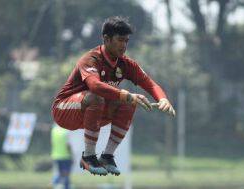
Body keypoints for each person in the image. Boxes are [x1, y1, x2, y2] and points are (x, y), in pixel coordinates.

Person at [51, 16, 175, 176]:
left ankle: (107, 156)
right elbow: (95, 86)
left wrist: (162, 99)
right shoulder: (91, 59)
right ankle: (88, 157)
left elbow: (150, 84)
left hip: (92, 113)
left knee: (129, 103)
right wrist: (127, 94)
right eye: (120, 40)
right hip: (64, 110)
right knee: (99, 96)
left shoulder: (126, 64)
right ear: (106, 39)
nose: (124, 45)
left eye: (127, 41)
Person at [51, 123, 73, 189]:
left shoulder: (54, 130)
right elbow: (68, 144)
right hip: (65, 156)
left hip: (56, 156)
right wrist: (72, 155)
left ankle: (52, 184)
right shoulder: (65, 131)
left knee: (60, 174)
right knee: (65, 174)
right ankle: (53, 185)